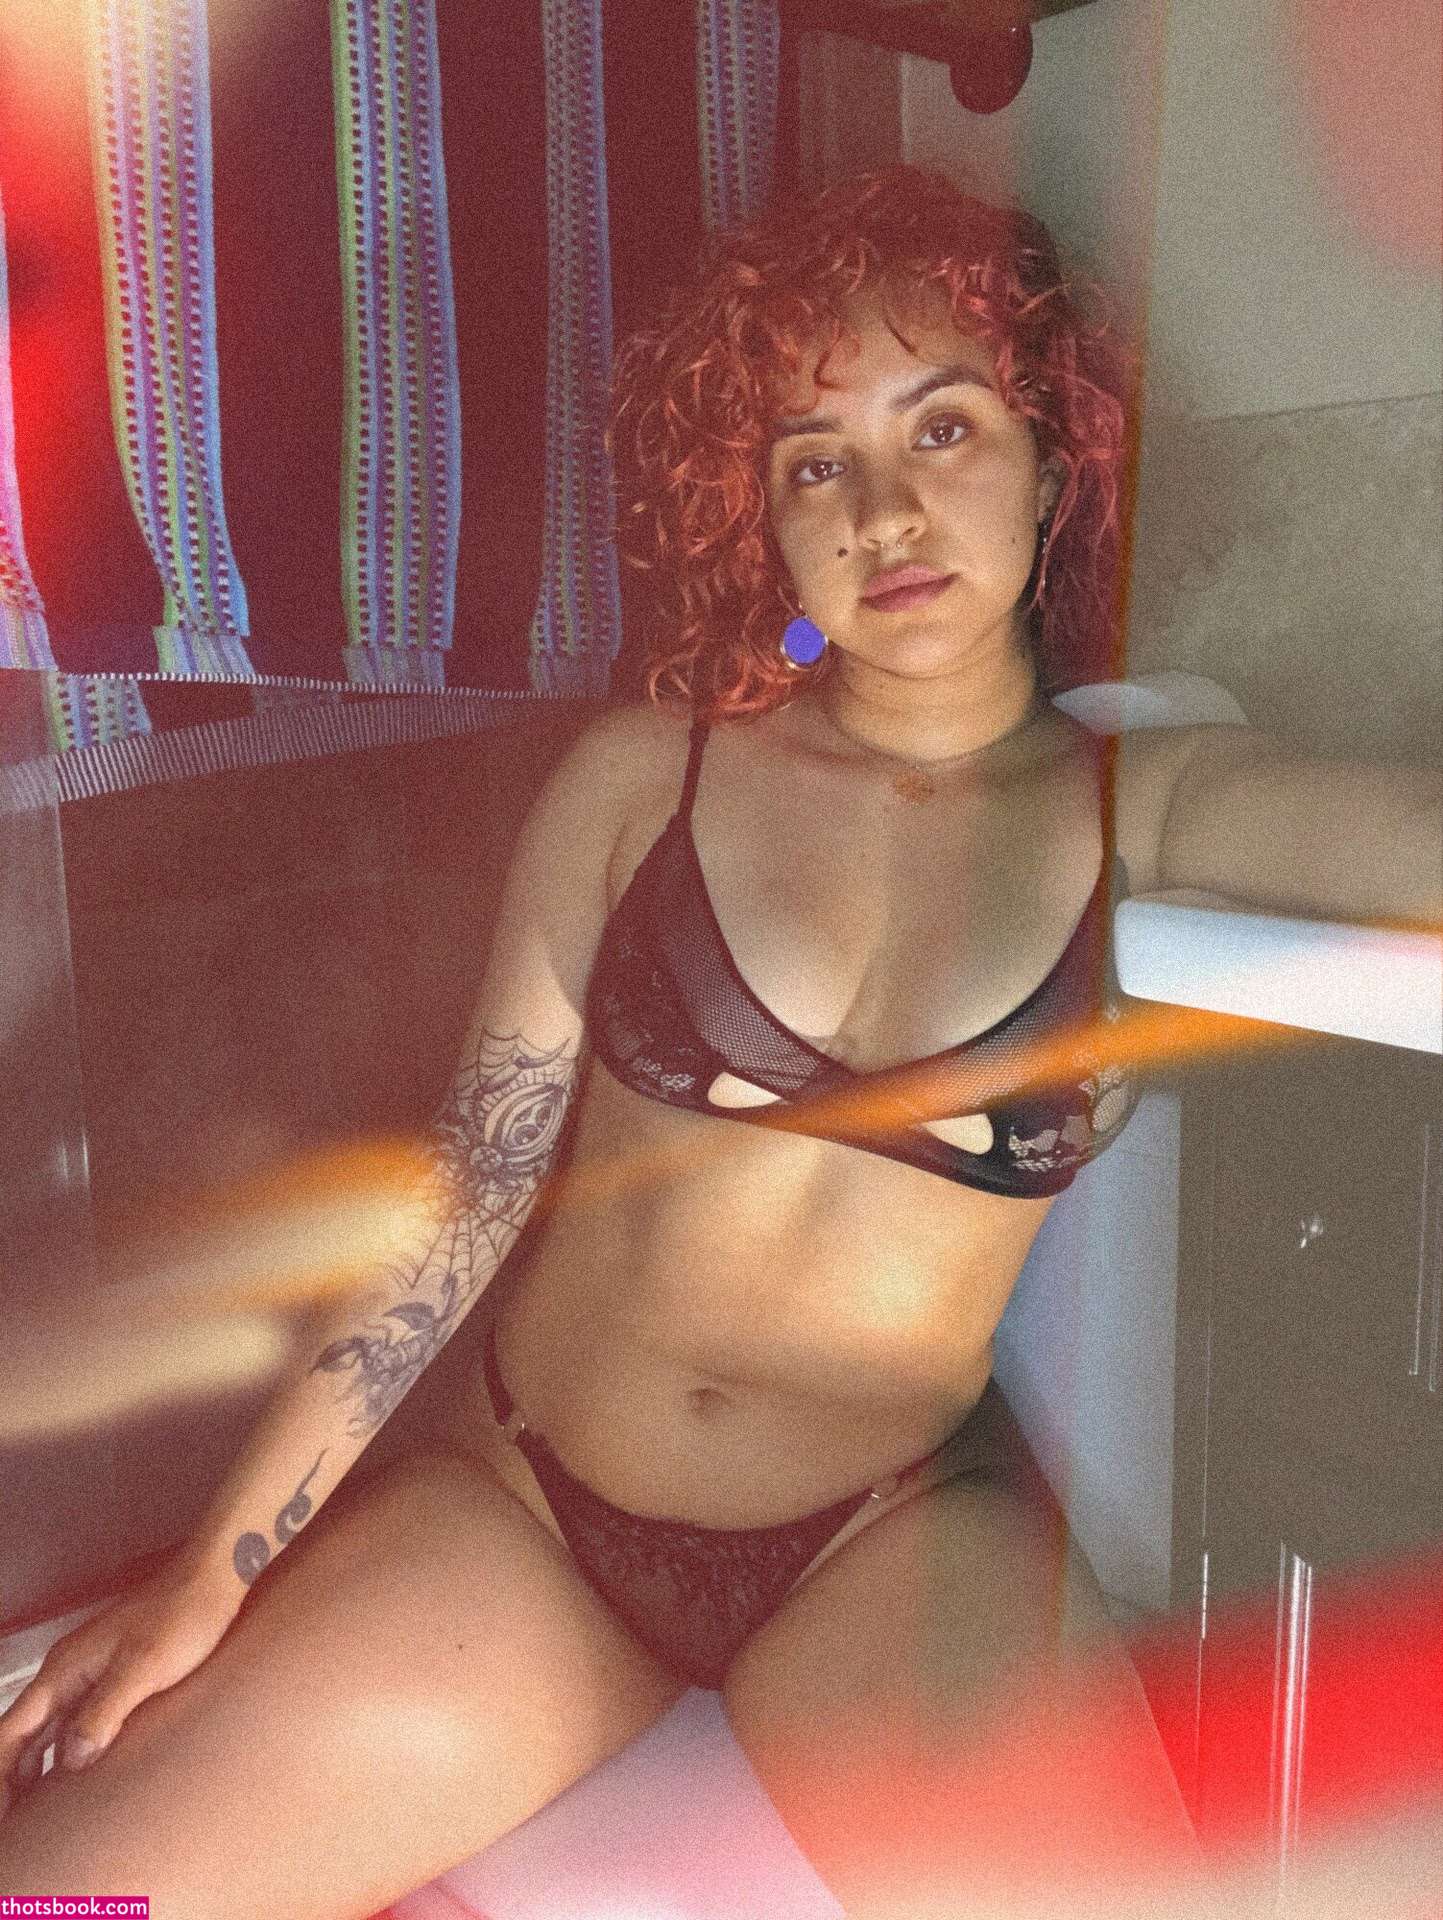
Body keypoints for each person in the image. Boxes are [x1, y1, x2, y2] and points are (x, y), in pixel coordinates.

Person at [0, 166, 1437, 1919]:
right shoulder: (645, 779)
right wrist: (211, 1580)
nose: (886, 513)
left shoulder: (1148, 802)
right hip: (531, 1517)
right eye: (815, 462)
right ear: (756, 512)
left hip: (887, 1543)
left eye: (945, 428)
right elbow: (463, 1198)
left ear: (1055, 459)